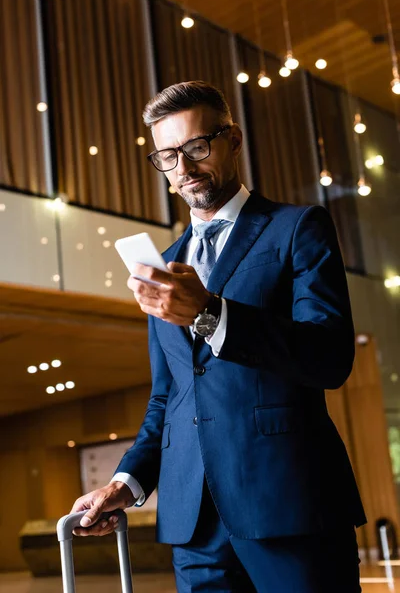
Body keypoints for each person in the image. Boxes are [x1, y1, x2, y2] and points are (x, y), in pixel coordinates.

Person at [71, 81, 366, 592]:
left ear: (233, 139)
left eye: (197, 148)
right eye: (167, 156)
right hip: (194, 526)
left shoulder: (297, 228)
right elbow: (169, 397)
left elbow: (329, 356)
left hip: (288, 505)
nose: (183, 169)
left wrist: (209, 314)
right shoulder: (163, 266)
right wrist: (127, 482)